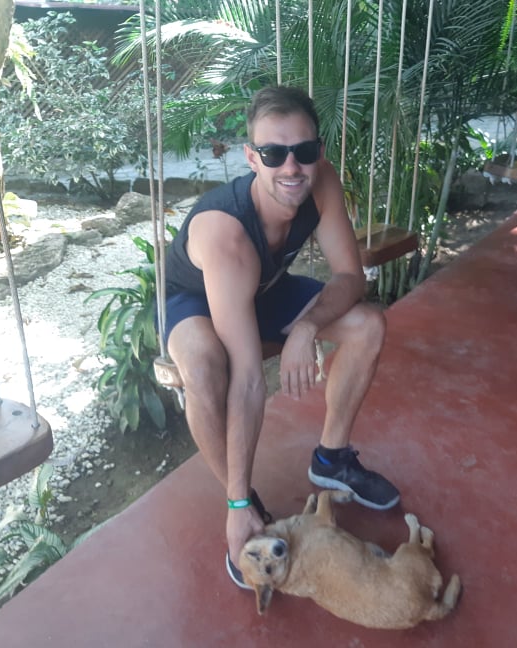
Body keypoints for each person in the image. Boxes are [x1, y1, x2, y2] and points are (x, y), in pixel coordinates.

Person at [162, 85, 399, 588]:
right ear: (252, 158)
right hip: (199, 301)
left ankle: (332, 459)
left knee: (367, 324)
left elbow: (350, 277)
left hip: (266, 287)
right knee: (205, 368)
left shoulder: (321, 182)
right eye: (273, 153)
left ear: (319, 152)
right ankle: (241, 501)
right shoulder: (225, 235)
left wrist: (308, 326)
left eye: (304, 151)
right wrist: (237, 503)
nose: (291, 167)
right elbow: (249, 378)